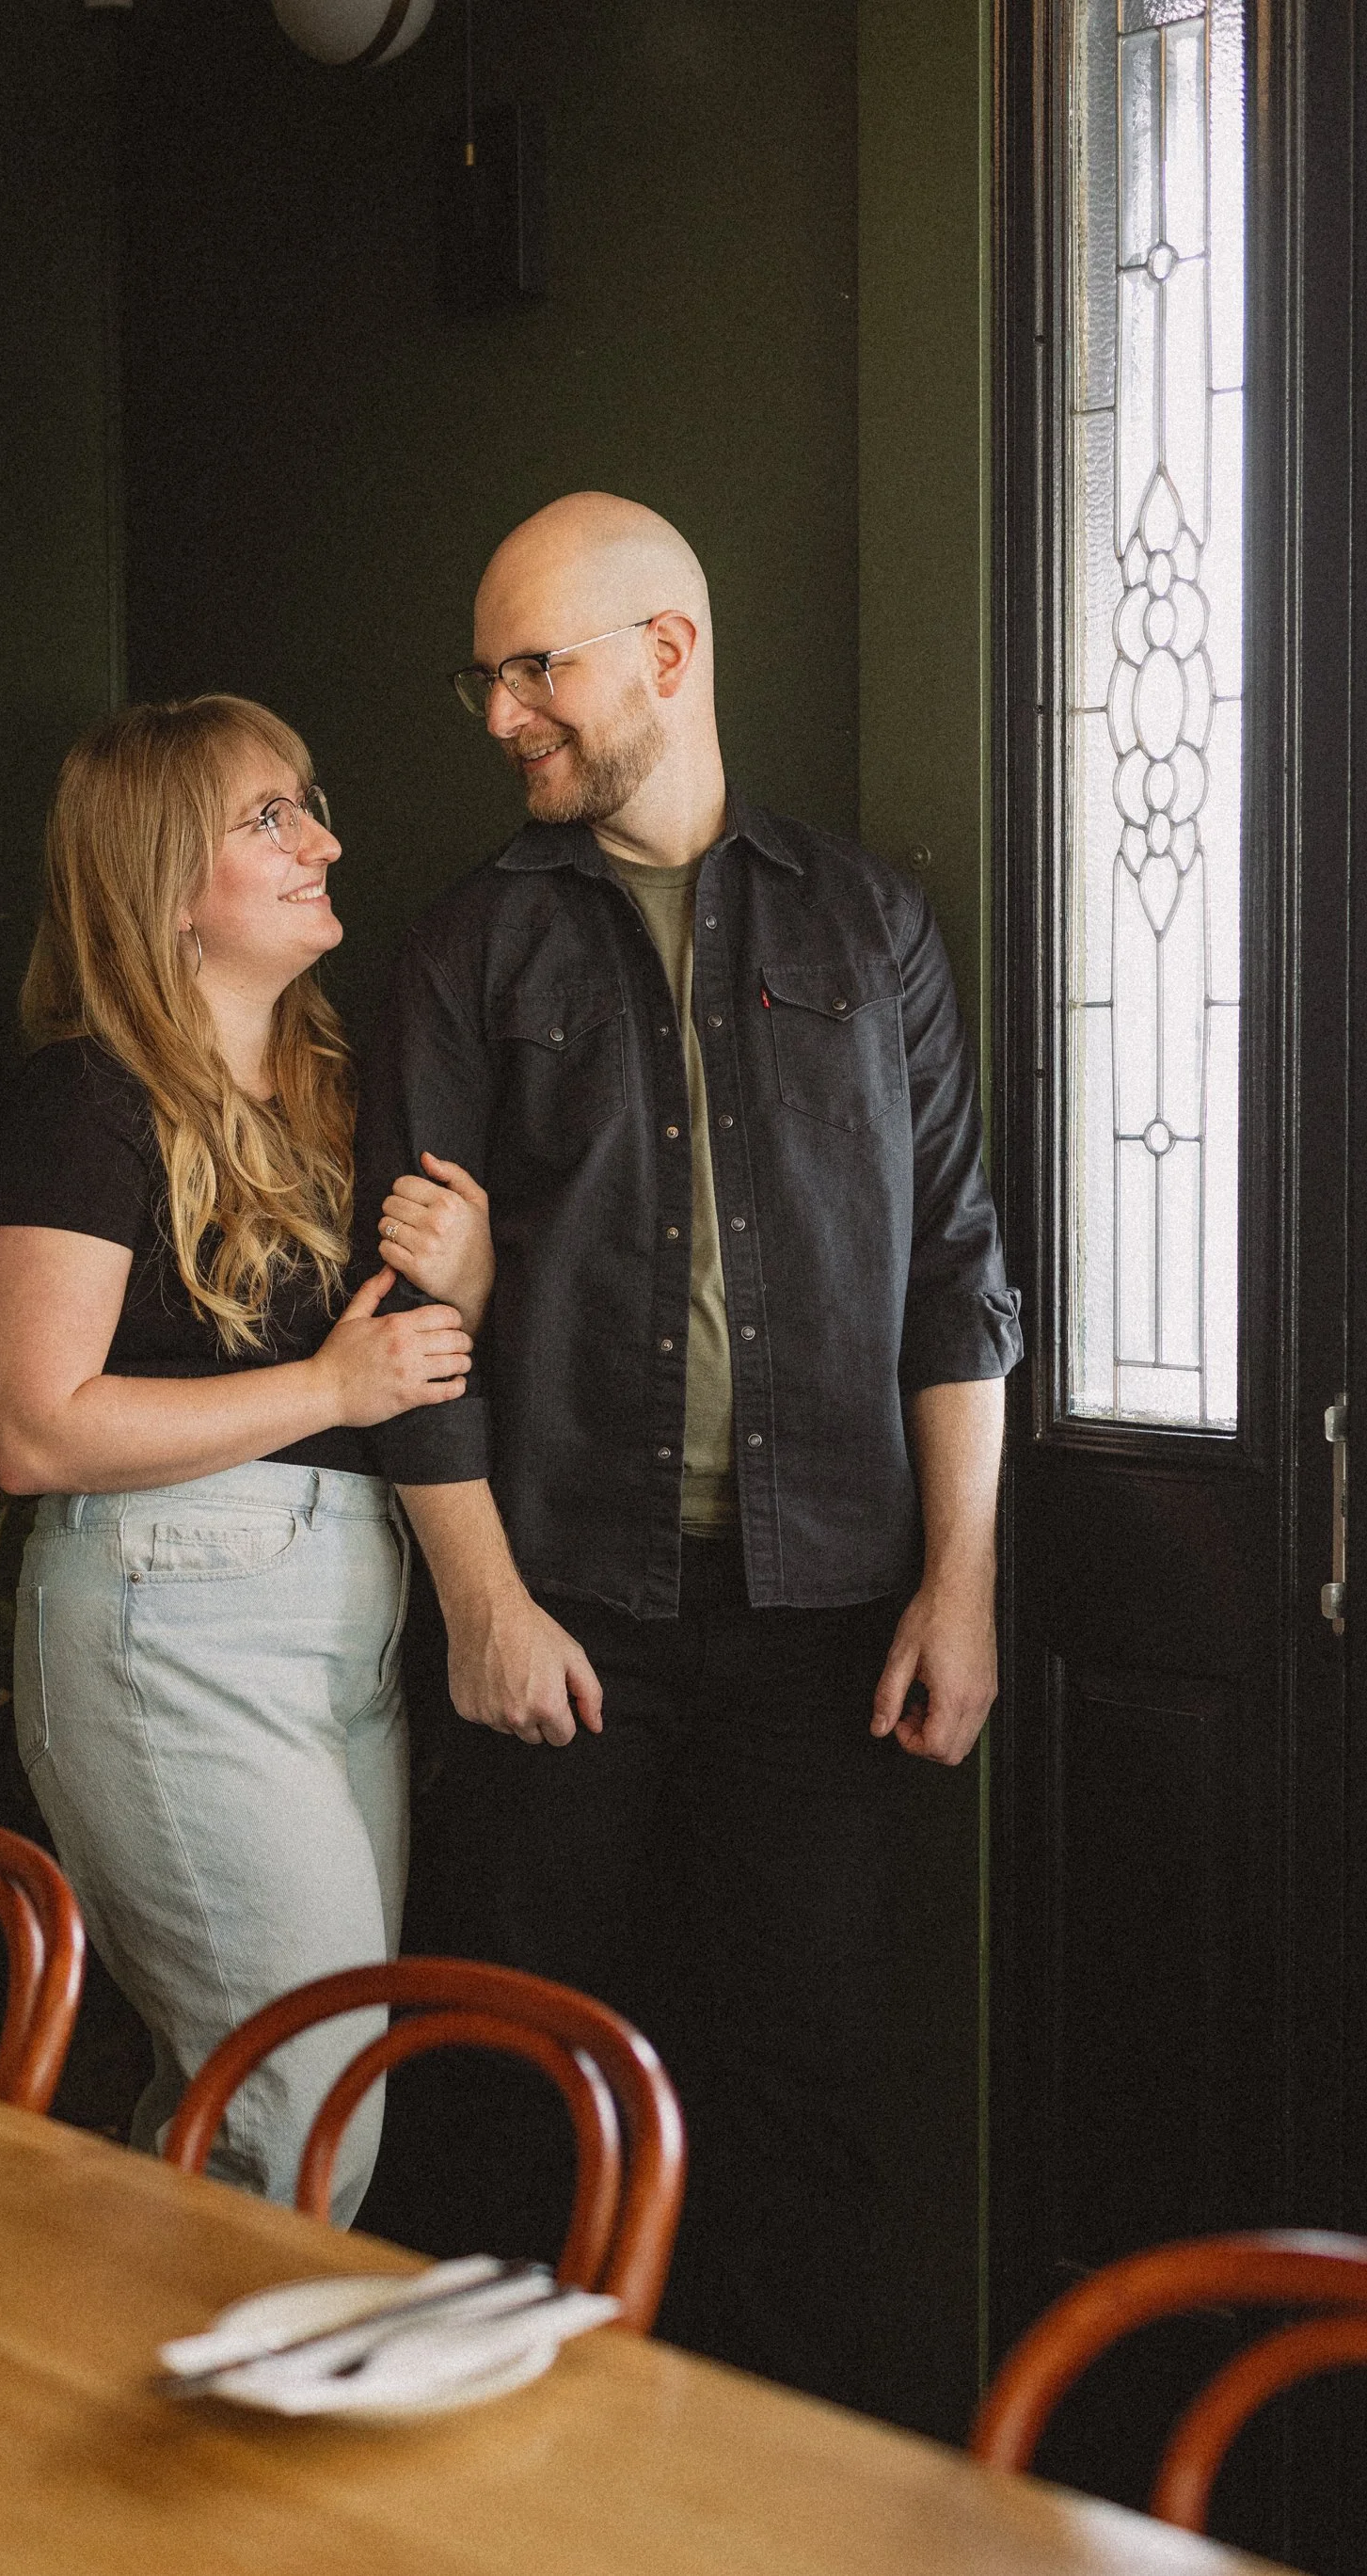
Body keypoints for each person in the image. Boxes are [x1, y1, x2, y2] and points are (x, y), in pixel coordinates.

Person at [356, 494, 1023, 2399]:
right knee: (534, 2082)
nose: (499, 715)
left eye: (534, 668)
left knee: (804, 2096)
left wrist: (960, 1581)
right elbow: (406, 1323)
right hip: (563, 1615)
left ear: (668, 650)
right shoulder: (471, 945)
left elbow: (959, 1272)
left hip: (828, 1620)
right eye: (481, 677)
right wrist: (479, 1606)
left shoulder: (869, 923)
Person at [0, 692, 492, 2224]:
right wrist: (327, 1380)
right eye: (272, 817)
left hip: (344, 1629)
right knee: (297, 2101)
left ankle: (130, 2419)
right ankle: (155, 2441)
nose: (324, 839)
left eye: (309, 803)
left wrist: (477, 1276)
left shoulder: (334, 1087)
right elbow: (34, 1424)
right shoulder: (80, 1100)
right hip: (167, 1624)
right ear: (157, 875)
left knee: (293, 2100)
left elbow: (416, 1360)